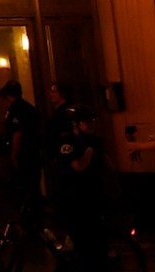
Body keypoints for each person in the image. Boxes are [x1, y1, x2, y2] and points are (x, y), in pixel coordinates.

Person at [45, 83, 104, 272]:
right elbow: (78, 166)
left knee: (96, 242)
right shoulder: (67, 142)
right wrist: (89, 150)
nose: (92, 125)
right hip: (73, 198)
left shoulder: (93, 140)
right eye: (87, 122)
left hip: (91, 195)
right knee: (82, 241)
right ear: (76, 124)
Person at [0, 81, 42, 213]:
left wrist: (14, 154)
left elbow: (18, 133)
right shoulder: (29, 108)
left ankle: (25, 219)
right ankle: (34, 217)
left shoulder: (16, 110)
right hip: (33, 153)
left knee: (22, 188)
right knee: (32, 187)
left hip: (24, 154)